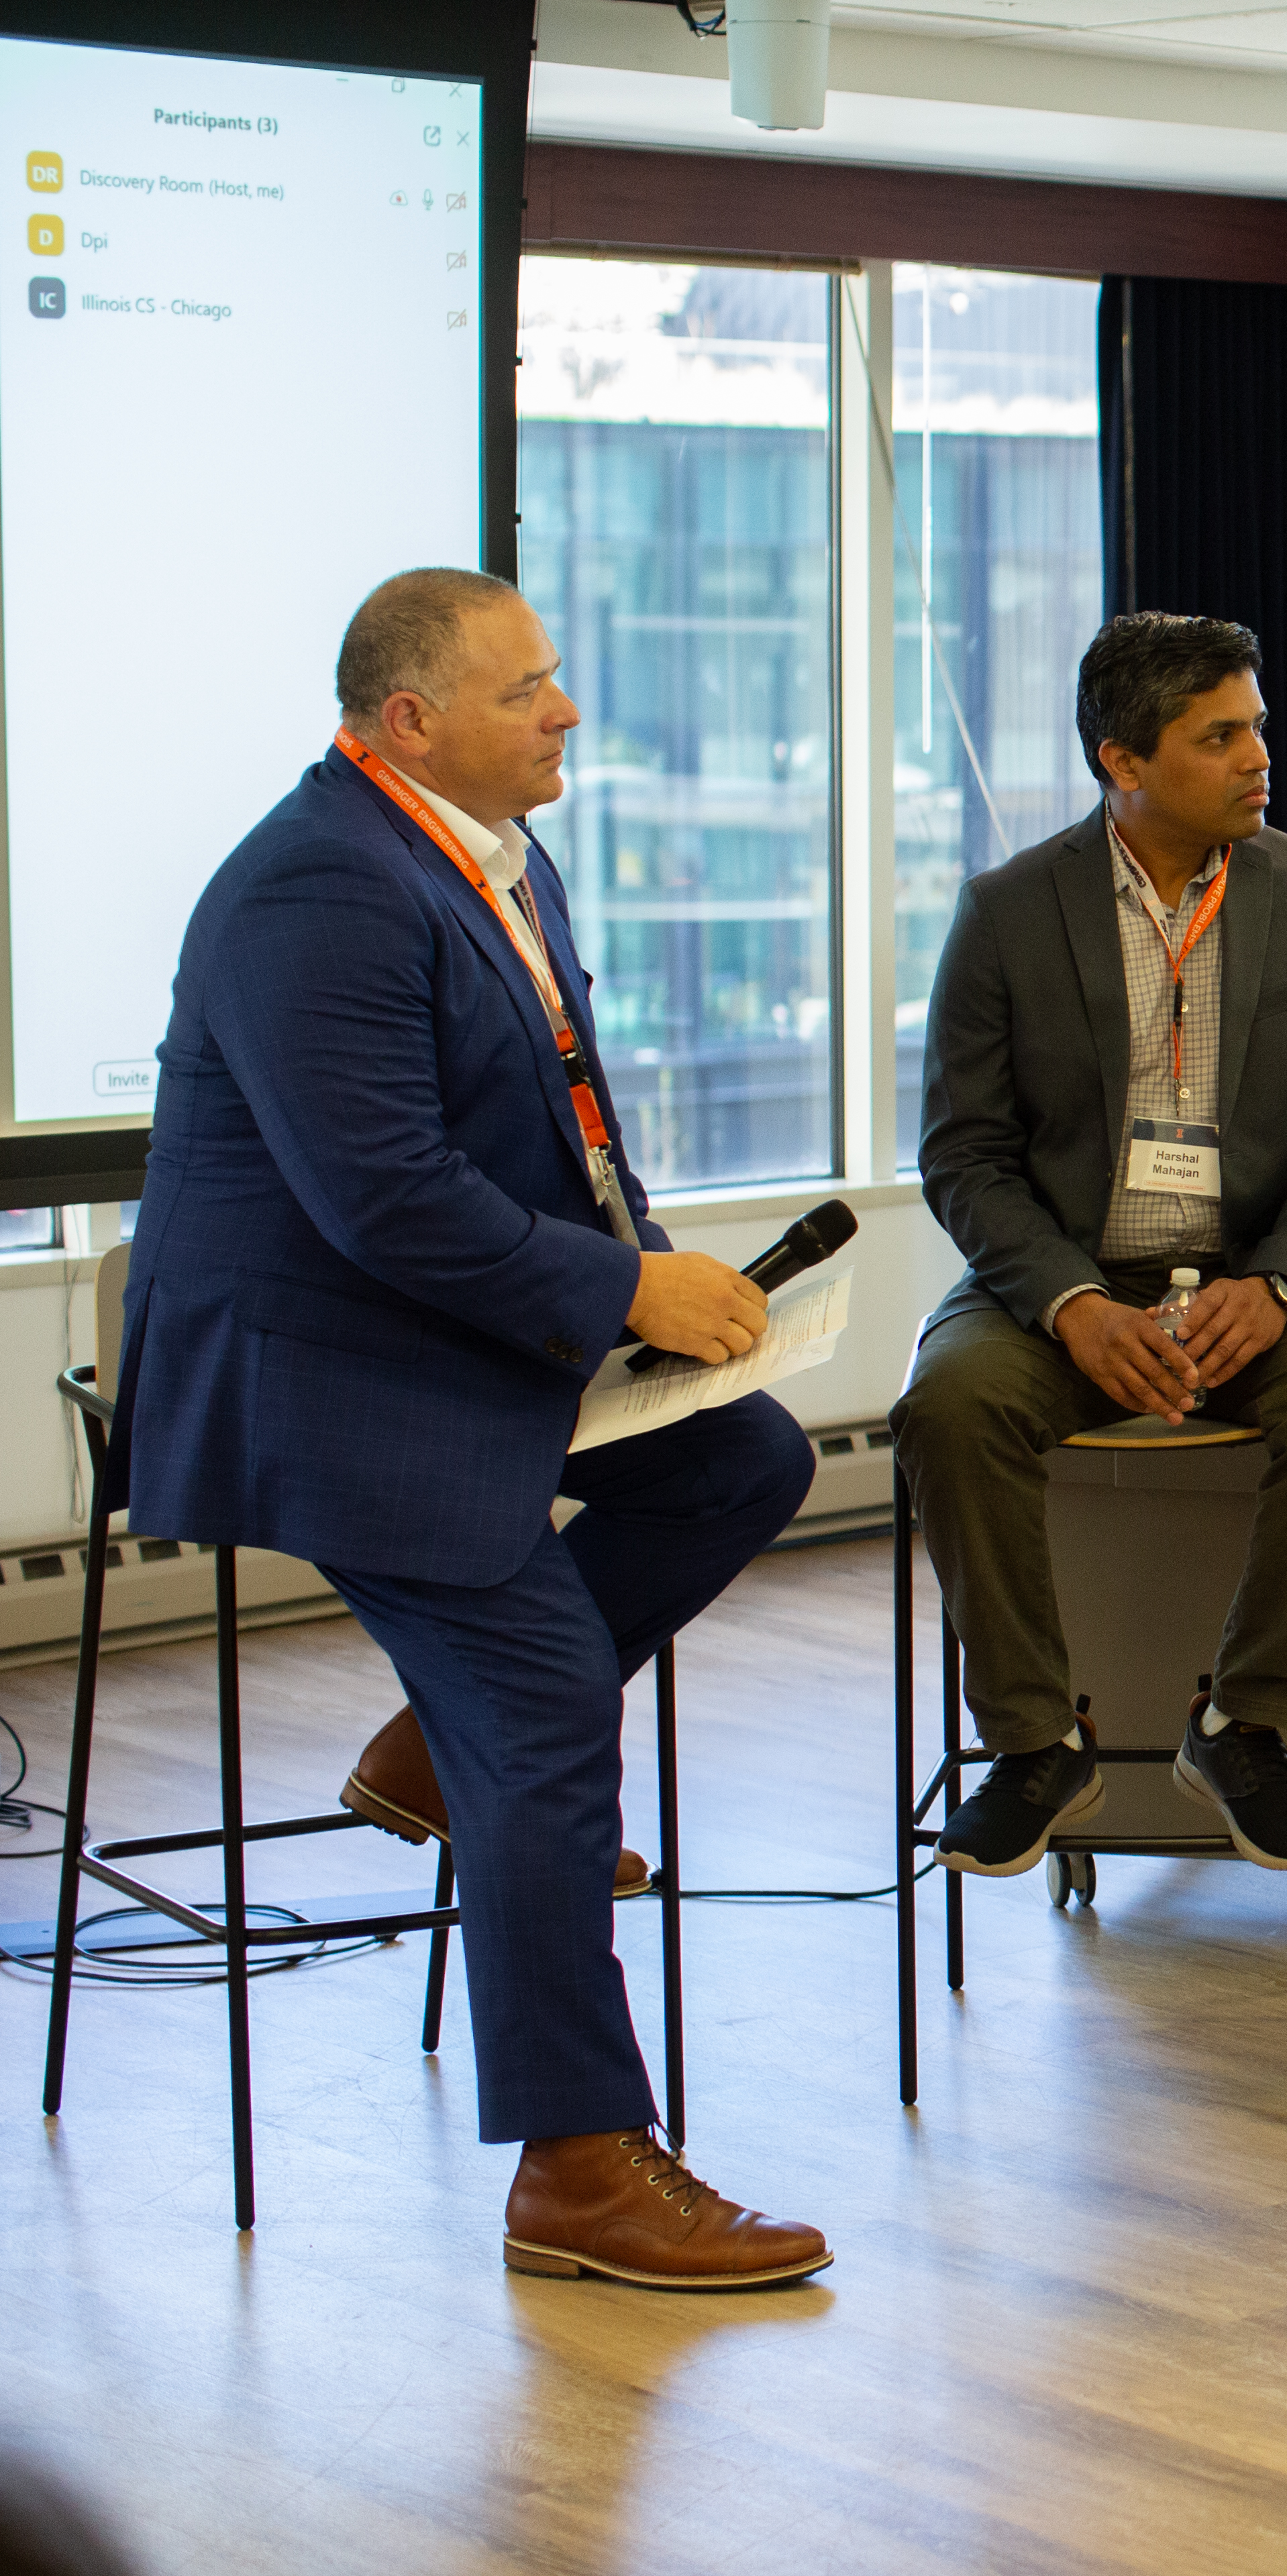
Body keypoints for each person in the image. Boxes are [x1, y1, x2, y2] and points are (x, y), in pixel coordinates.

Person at [111, 568, 823, 2286]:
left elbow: (554, 1121)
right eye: (530, 690)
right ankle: (578, 2169)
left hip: (450, 1330)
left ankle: (434, 1752)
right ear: (410, 719)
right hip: (333, 1372)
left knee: (746, 1456)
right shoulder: (315, 888)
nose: (566, 711)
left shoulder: (494, 856)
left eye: (558, 680)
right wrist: (620, 1301)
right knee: (550, 1718)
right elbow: (382, 1196)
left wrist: (650, 1270)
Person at [895, 612, 1287, 1880]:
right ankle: (1031, 1744)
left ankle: (1252, 1725)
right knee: (949, 1402)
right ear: (1121, 763)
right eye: (1220, 737)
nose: (1259, 759)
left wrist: (1284, 1282)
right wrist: (1070, 1302)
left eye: (1258, 729)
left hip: (1265, 1280)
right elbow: (965, 1153)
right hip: (1070, 1287)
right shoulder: (1009, 912)